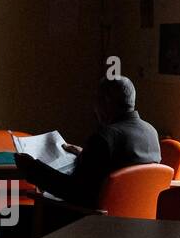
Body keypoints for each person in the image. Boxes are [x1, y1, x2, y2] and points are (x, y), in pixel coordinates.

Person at [15, 76, 160, 209]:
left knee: (11, 217)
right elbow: (120, 171)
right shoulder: (151, 132)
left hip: (91, 224)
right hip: (135, 223)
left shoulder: (104, 137)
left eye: (96, 100)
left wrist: (33, 169)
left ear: (106, 102)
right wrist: (86, 154)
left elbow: (74, 192)